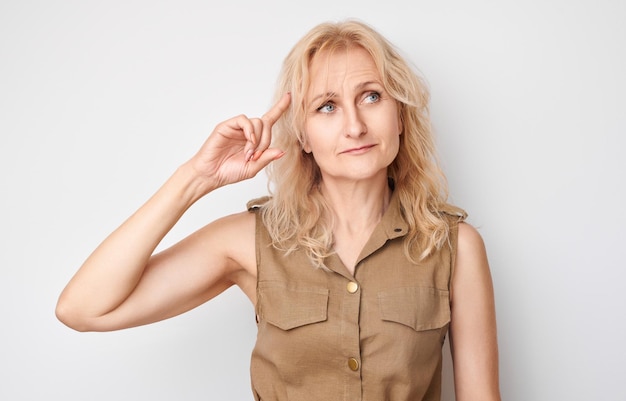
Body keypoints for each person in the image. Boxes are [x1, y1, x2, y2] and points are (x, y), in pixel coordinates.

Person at [56, 19, 501, 401]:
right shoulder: (248, 242)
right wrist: (196, 177)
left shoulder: (455, 247)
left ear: (400, 115)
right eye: (327, 107)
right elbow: (83, 308)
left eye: (371, 96)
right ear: (303, 136)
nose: (354, 126)